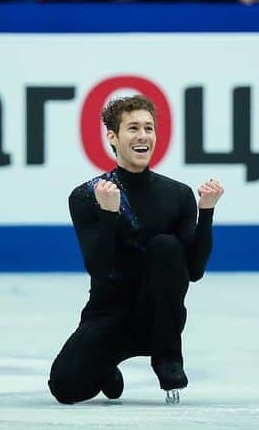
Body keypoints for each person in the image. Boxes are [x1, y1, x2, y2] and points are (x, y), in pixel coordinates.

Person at [48, 94, 223, 404]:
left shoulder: (178, 195)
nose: (143, 135)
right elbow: (100, 269)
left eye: (149, 128)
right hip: (108, 315)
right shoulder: (87, 196)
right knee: (64, 388)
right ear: (113, 137)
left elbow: (194, 272)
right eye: (132, 128)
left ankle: (168, 359)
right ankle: (107, 369)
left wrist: (206, 212)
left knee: (165, 246)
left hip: (159, 317)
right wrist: (108, 214)